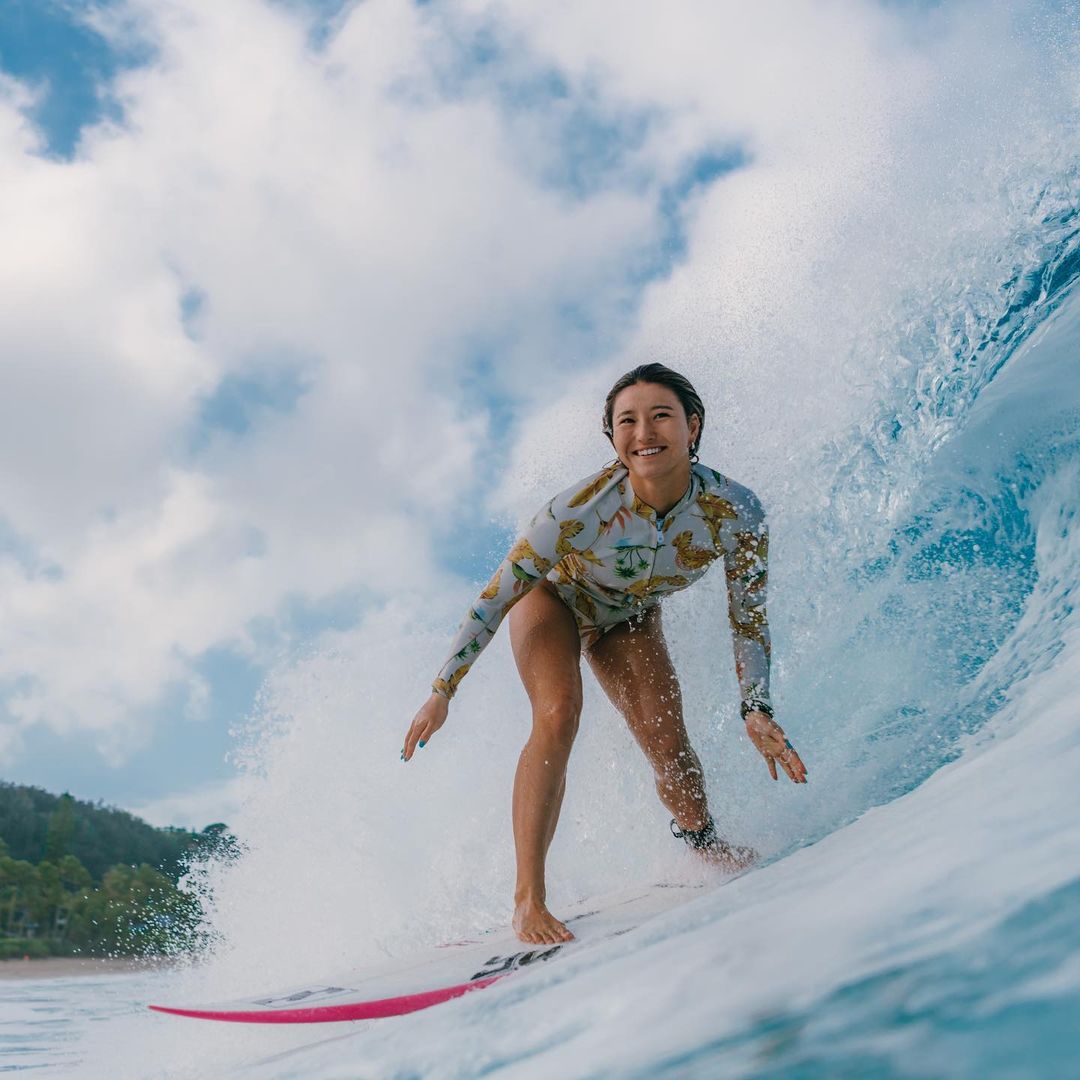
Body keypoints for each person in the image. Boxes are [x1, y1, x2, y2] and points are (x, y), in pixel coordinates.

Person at [402, 363, 807, 945]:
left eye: (661, 415)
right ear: (613, 437)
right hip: (554, 601)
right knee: (559, 711)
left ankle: (703, 844)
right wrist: (443, 691)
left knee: (668, 741)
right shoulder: (574, 512)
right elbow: (494, 598)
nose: (645, 431)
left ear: (692, 427)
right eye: (628, 420)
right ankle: (528, 901)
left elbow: (749, 617)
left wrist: (756, 707)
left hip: (628, 618)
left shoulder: (736, 511)